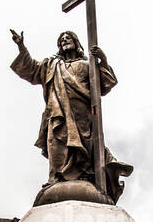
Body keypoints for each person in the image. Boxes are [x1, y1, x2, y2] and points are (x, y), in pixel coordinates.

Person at [9, 28, 133, 201]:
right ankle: (56, 177)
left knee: (84, 144)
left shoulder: (87, 64)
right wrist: (21, 47)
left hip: (81, 113)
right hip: (57, 111)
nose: (65, 40)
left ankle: (85, 175)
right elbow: (31, 69)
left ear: (76, 43)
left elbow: (106, 84)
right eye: (62, 39)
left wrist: (103, 60)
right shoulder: (51, 65)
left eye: (69, 38)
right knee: (56, 141)